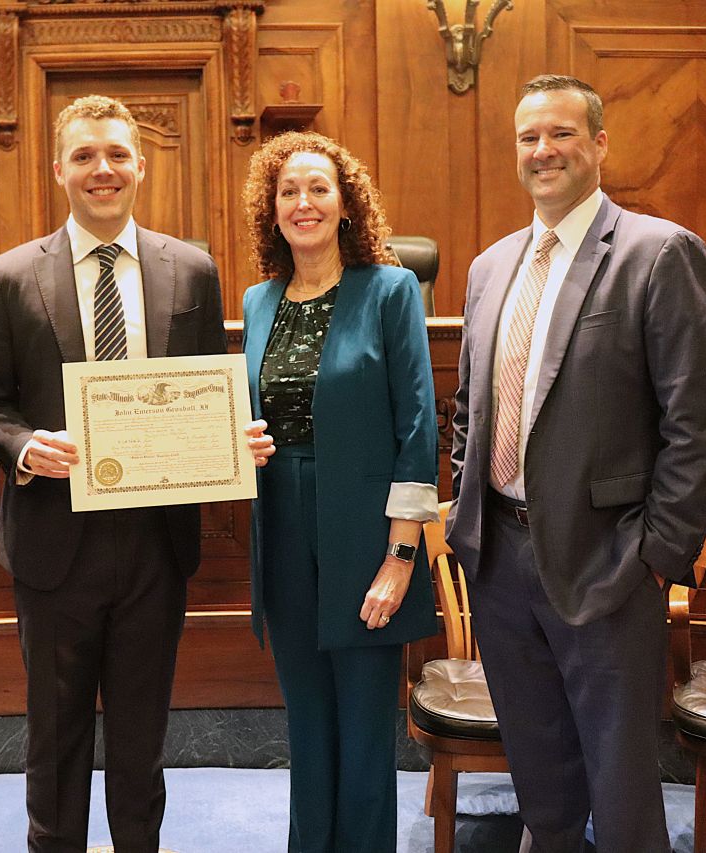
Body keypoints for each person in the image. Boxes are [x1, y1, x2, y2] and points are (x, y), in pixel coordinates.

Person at [0, 95, 273, 853]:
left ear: (139, 164)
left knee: (141, 736)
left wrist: (232, 442)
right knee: (56, 737)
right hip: (52, 542)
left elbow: (211, 384)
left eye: (114, 154)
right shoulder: (9, 276)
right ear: (60, 170)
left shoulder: (192, 269)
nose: (101, 169)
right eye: (83, 156)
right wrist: (25, 448)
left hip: (153, 545)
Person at [446, 75, 706, 853]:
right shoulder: (488, 266)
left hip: (609, 563)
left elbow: (698, 420)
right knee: (539, 776)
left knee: (622, 782)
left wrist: (657, 556)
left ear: (600, 144)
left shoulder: (658, 252)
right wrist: (468, 515)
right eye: (529, 137)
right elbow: (473, 404)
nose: (544, 151)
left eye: (562, 133)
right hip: (501, 560)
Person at [240, 131, 439, 852]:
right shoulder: (257, 300)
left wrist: (400, 555)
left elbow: (418, 426)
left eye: (319, 188)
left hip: (367, 529)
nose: (303, 203)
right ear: (273, 211)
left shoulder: (389, 290)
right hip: (283, 526)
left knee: (361, 728)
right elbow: (254, 412)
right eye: (288, 191)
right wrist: (245, 441)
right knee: (308, 724)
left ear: (347, 204)